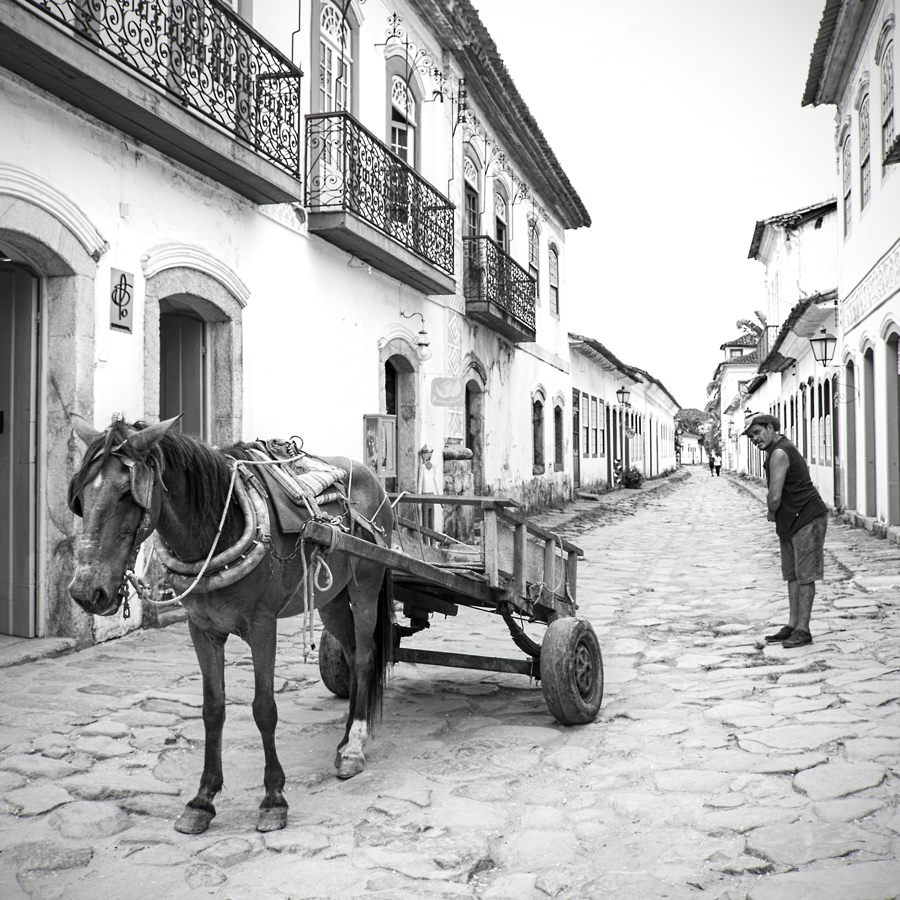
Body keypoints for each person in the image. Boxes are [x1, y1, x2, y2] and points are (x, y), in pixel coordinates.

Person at [742, 412, 828, 648]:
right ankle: (792, 625)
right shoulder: (775, 450)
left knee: (805, 575)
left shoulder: (779, 452)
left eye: (757, 433)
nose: (755, 439)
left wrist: (771, 512)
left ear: (771, 428)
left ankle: (804, 629)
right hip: (791, 519)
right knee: (791, 574)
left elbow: (774, 495)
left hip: (807, 516)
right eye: (751, 437)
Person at [416, 444, 440, 532]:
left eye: (429, 454)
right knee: (425, 522)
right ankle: (426, 542)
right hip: (424, 495)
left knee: (432, 520)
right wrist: (418, 499)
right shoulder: (422, 468)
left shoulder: (433, 467)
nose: (427, 456)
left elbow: (436, 481)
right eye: (425, 454)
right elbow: (420, 483)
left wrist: (440, 496)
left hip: (431, 495)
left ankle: (433, 542)